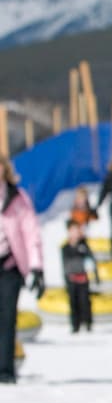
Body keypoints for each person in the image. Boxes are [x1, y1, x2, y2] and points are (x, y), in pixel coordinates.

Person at [0, 156, 44, 383]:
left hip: (9, 265)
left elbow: (31, 232)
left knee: (7, 318)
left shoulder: (17, 198)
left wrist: (36, 266)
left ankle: (5, 370)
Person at [62, 219, 100, 333]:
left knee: (85, 302)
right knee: (73, 303)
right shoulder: (65, 248)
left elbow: (91, 260)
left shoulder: (83, 246)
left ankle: (88, 323)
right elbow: (64, 265)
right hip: (71, 278)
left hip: (83, 277)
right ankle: (75, 325)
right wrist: (66, 278)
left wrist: (96, 275)